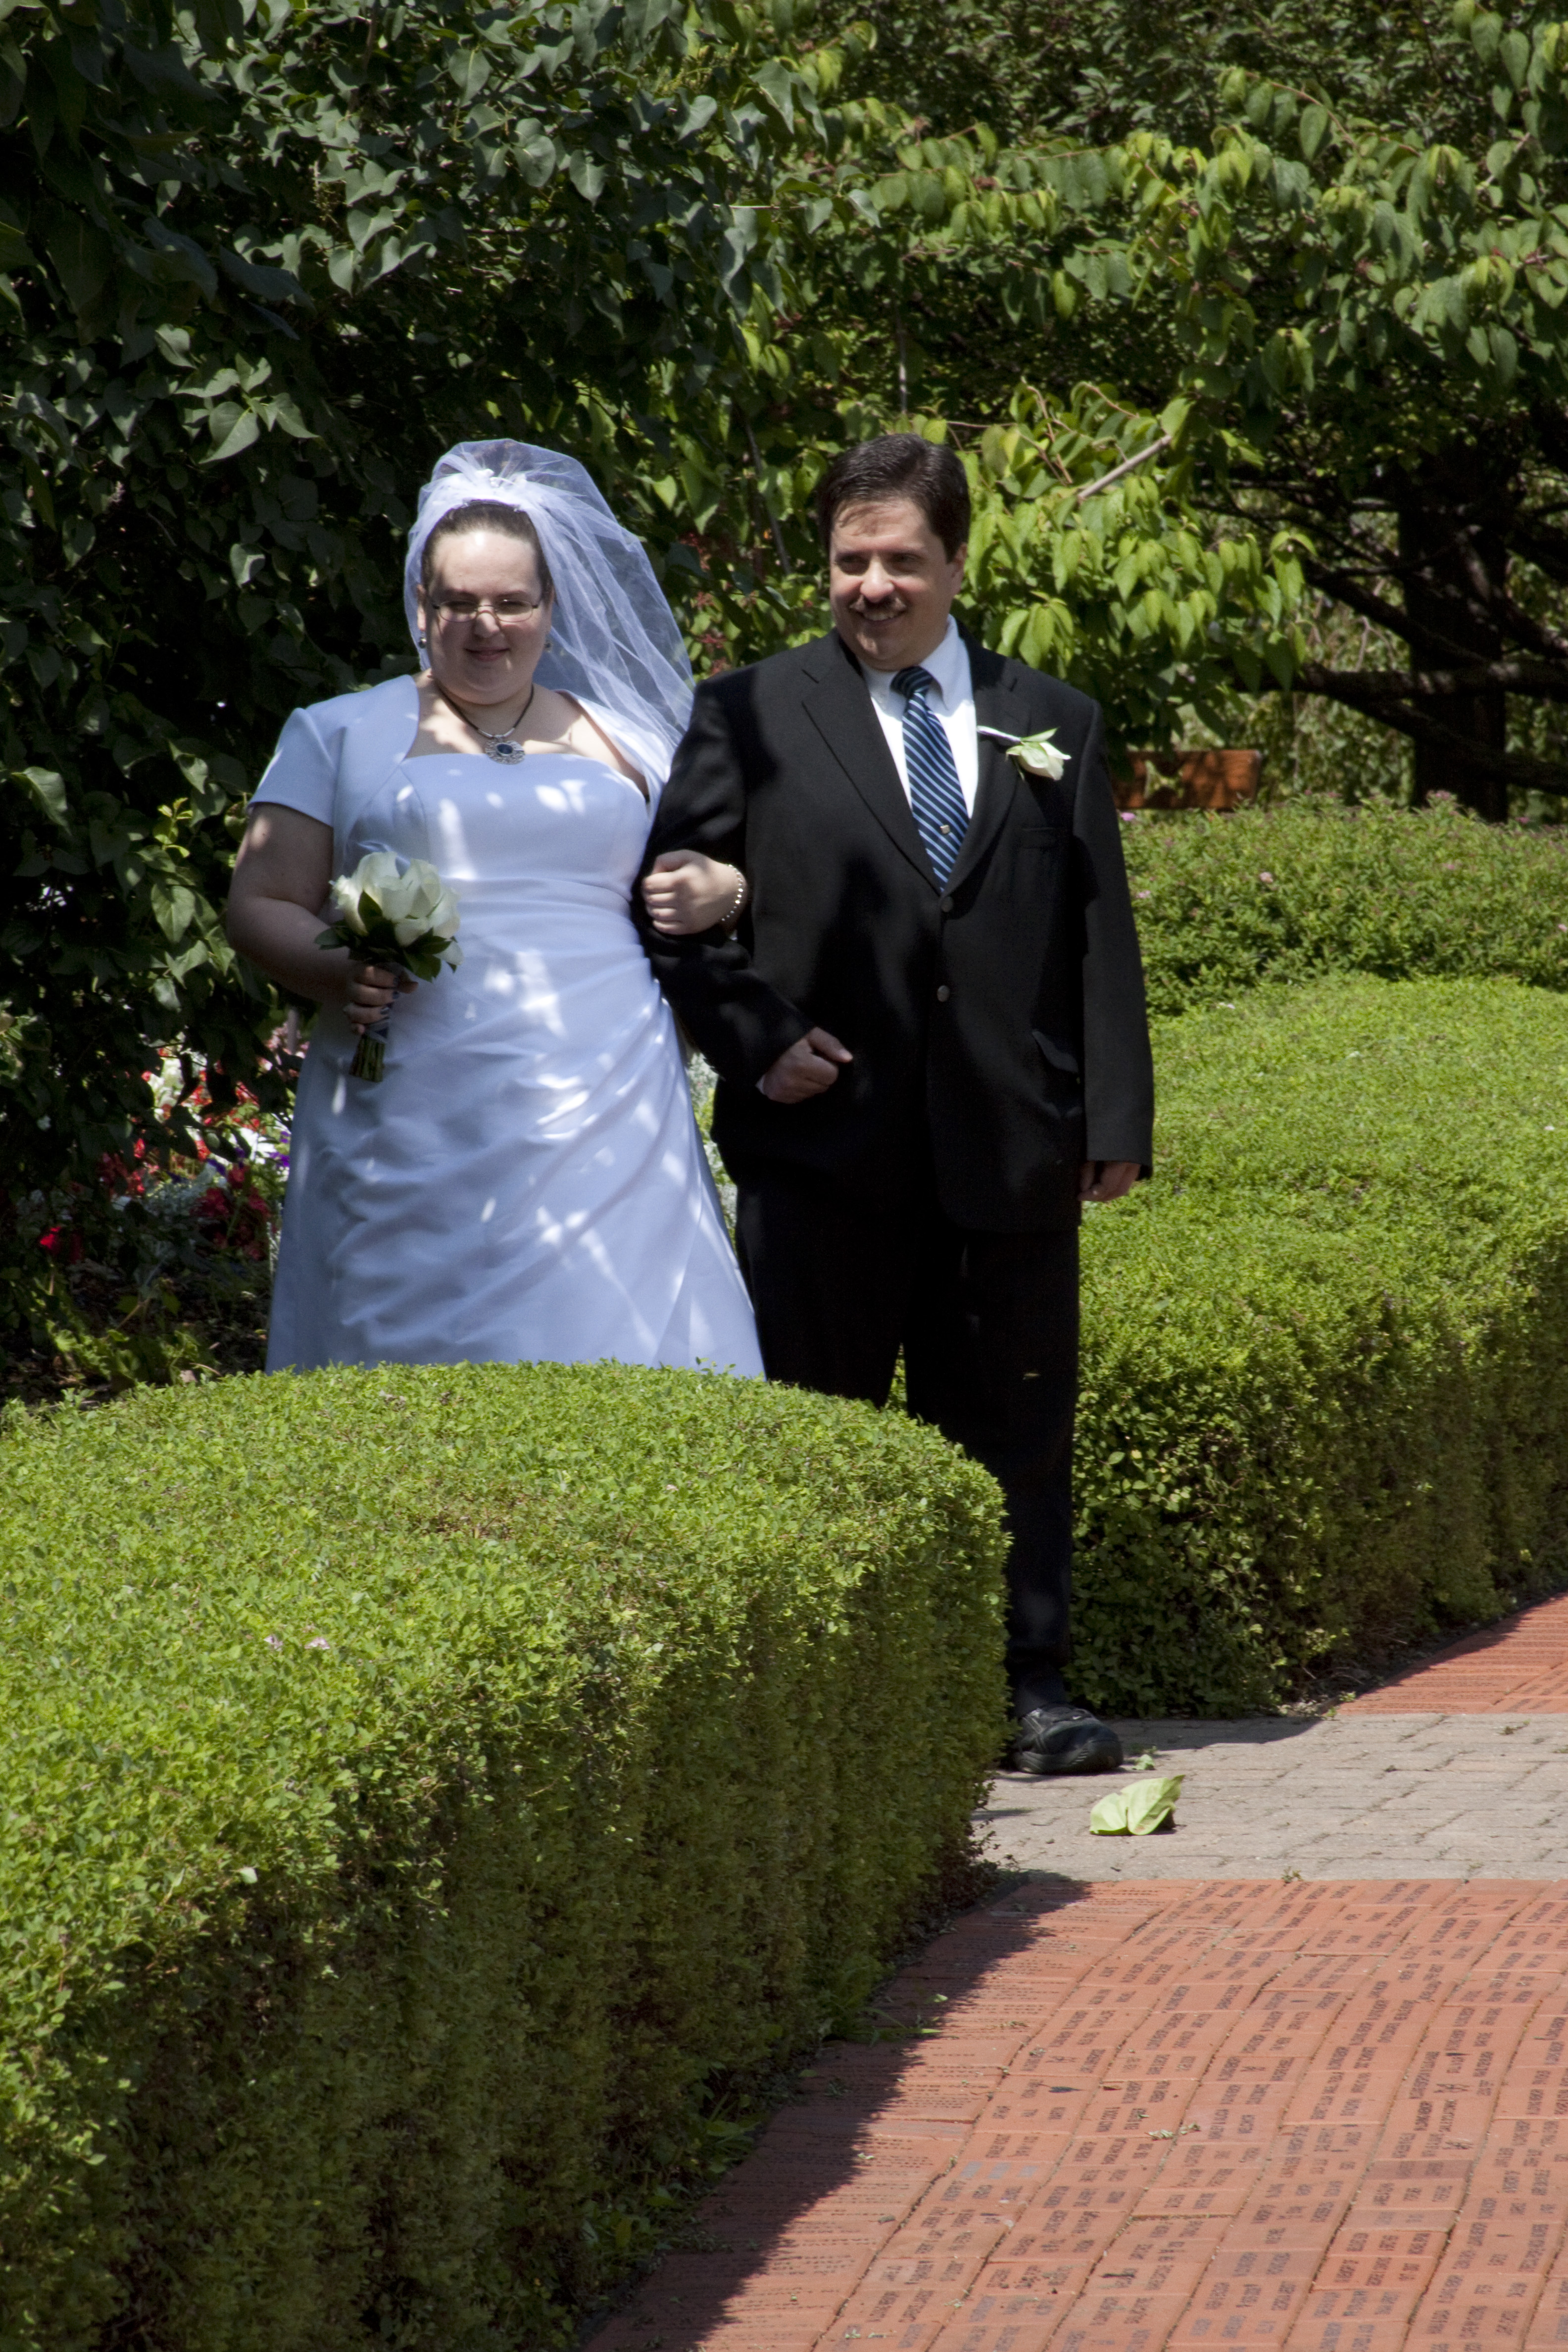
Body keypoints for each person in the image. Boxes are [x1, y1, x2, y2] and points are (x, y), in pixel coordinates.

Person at [635, 434, 1154, 1774]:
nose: (873, 586)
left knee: (1018, 1432)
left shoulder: (1053, 716)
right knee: (822, 1435)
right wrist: (757, 1043)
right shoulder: (745, 713)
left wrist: (1113, 1122)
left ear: (958, 563)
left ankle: (1028, 1688)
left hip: (1010, 1143)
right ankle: (832, 1713)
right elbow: (672, 911)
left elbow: (1096, 929)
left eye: (902, 560)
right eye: (849, 560)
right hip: (824, 1149)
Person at [228, 439, 762, 1379]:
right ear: (422, 606)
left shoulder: (630, 739)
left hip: (609, 1089)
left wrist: (730, 893)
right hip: (409, 1092)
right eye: (459, 602)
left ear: (551, 607)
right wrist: (337, 967)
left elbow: (726, 882)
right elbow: (260, 901)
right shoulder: (339, 730)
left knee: (614, 1338)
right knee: (402, 1353)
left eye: (512, 602)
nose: (487, 625)